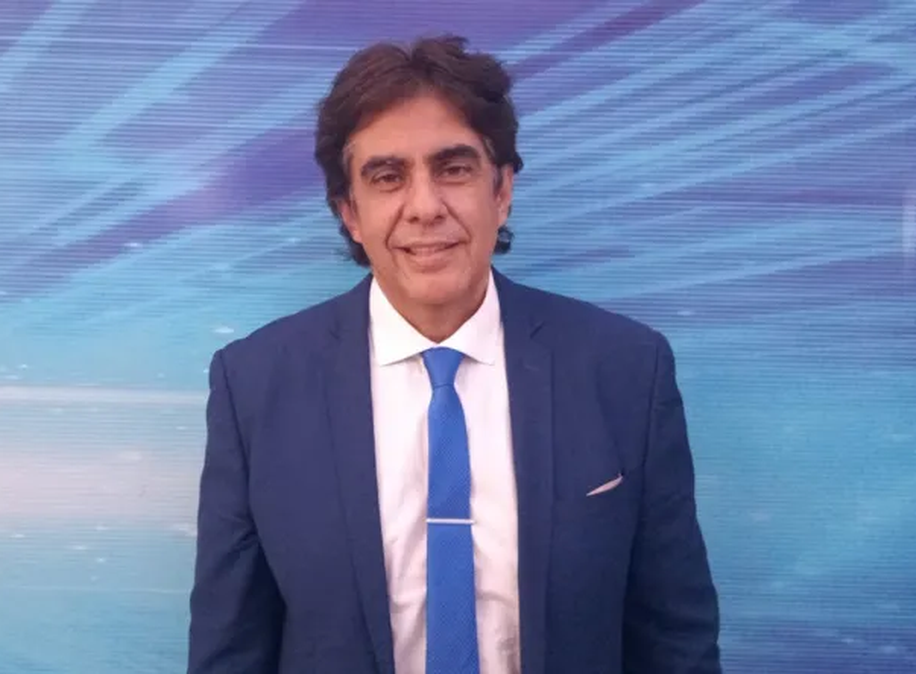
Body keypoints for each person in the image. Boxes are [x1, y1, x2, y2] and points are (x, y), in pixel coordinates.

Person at [187, 34, 721, 674]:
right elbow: (230, 650)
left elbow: (676, 642)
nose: (424, 207)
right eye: (388, 177)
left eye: (453, 169)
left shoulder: (626, 370)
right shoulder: (255, 386)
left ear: (501, 190)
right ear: (350, 213)